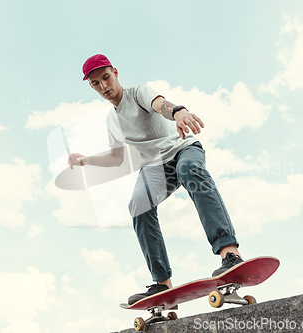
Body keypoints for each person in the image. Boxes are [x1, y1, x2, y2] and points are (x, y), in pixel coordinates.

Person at [69, 54, 243, 305]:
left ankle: (229, 253)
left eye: (106, 78)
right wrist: (85, 160)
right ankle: (162, 283)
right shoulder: (112, 120)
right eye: (96, 84)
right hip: (155, 166)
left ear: (115, 72)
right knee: (138, 204)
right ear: (91, 86)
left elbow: (160, 104)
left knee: (190, 170)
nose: (104, 87)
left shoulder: (138, 92)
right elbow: (115, 159)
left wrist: (178, 112)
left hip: (183, 148)